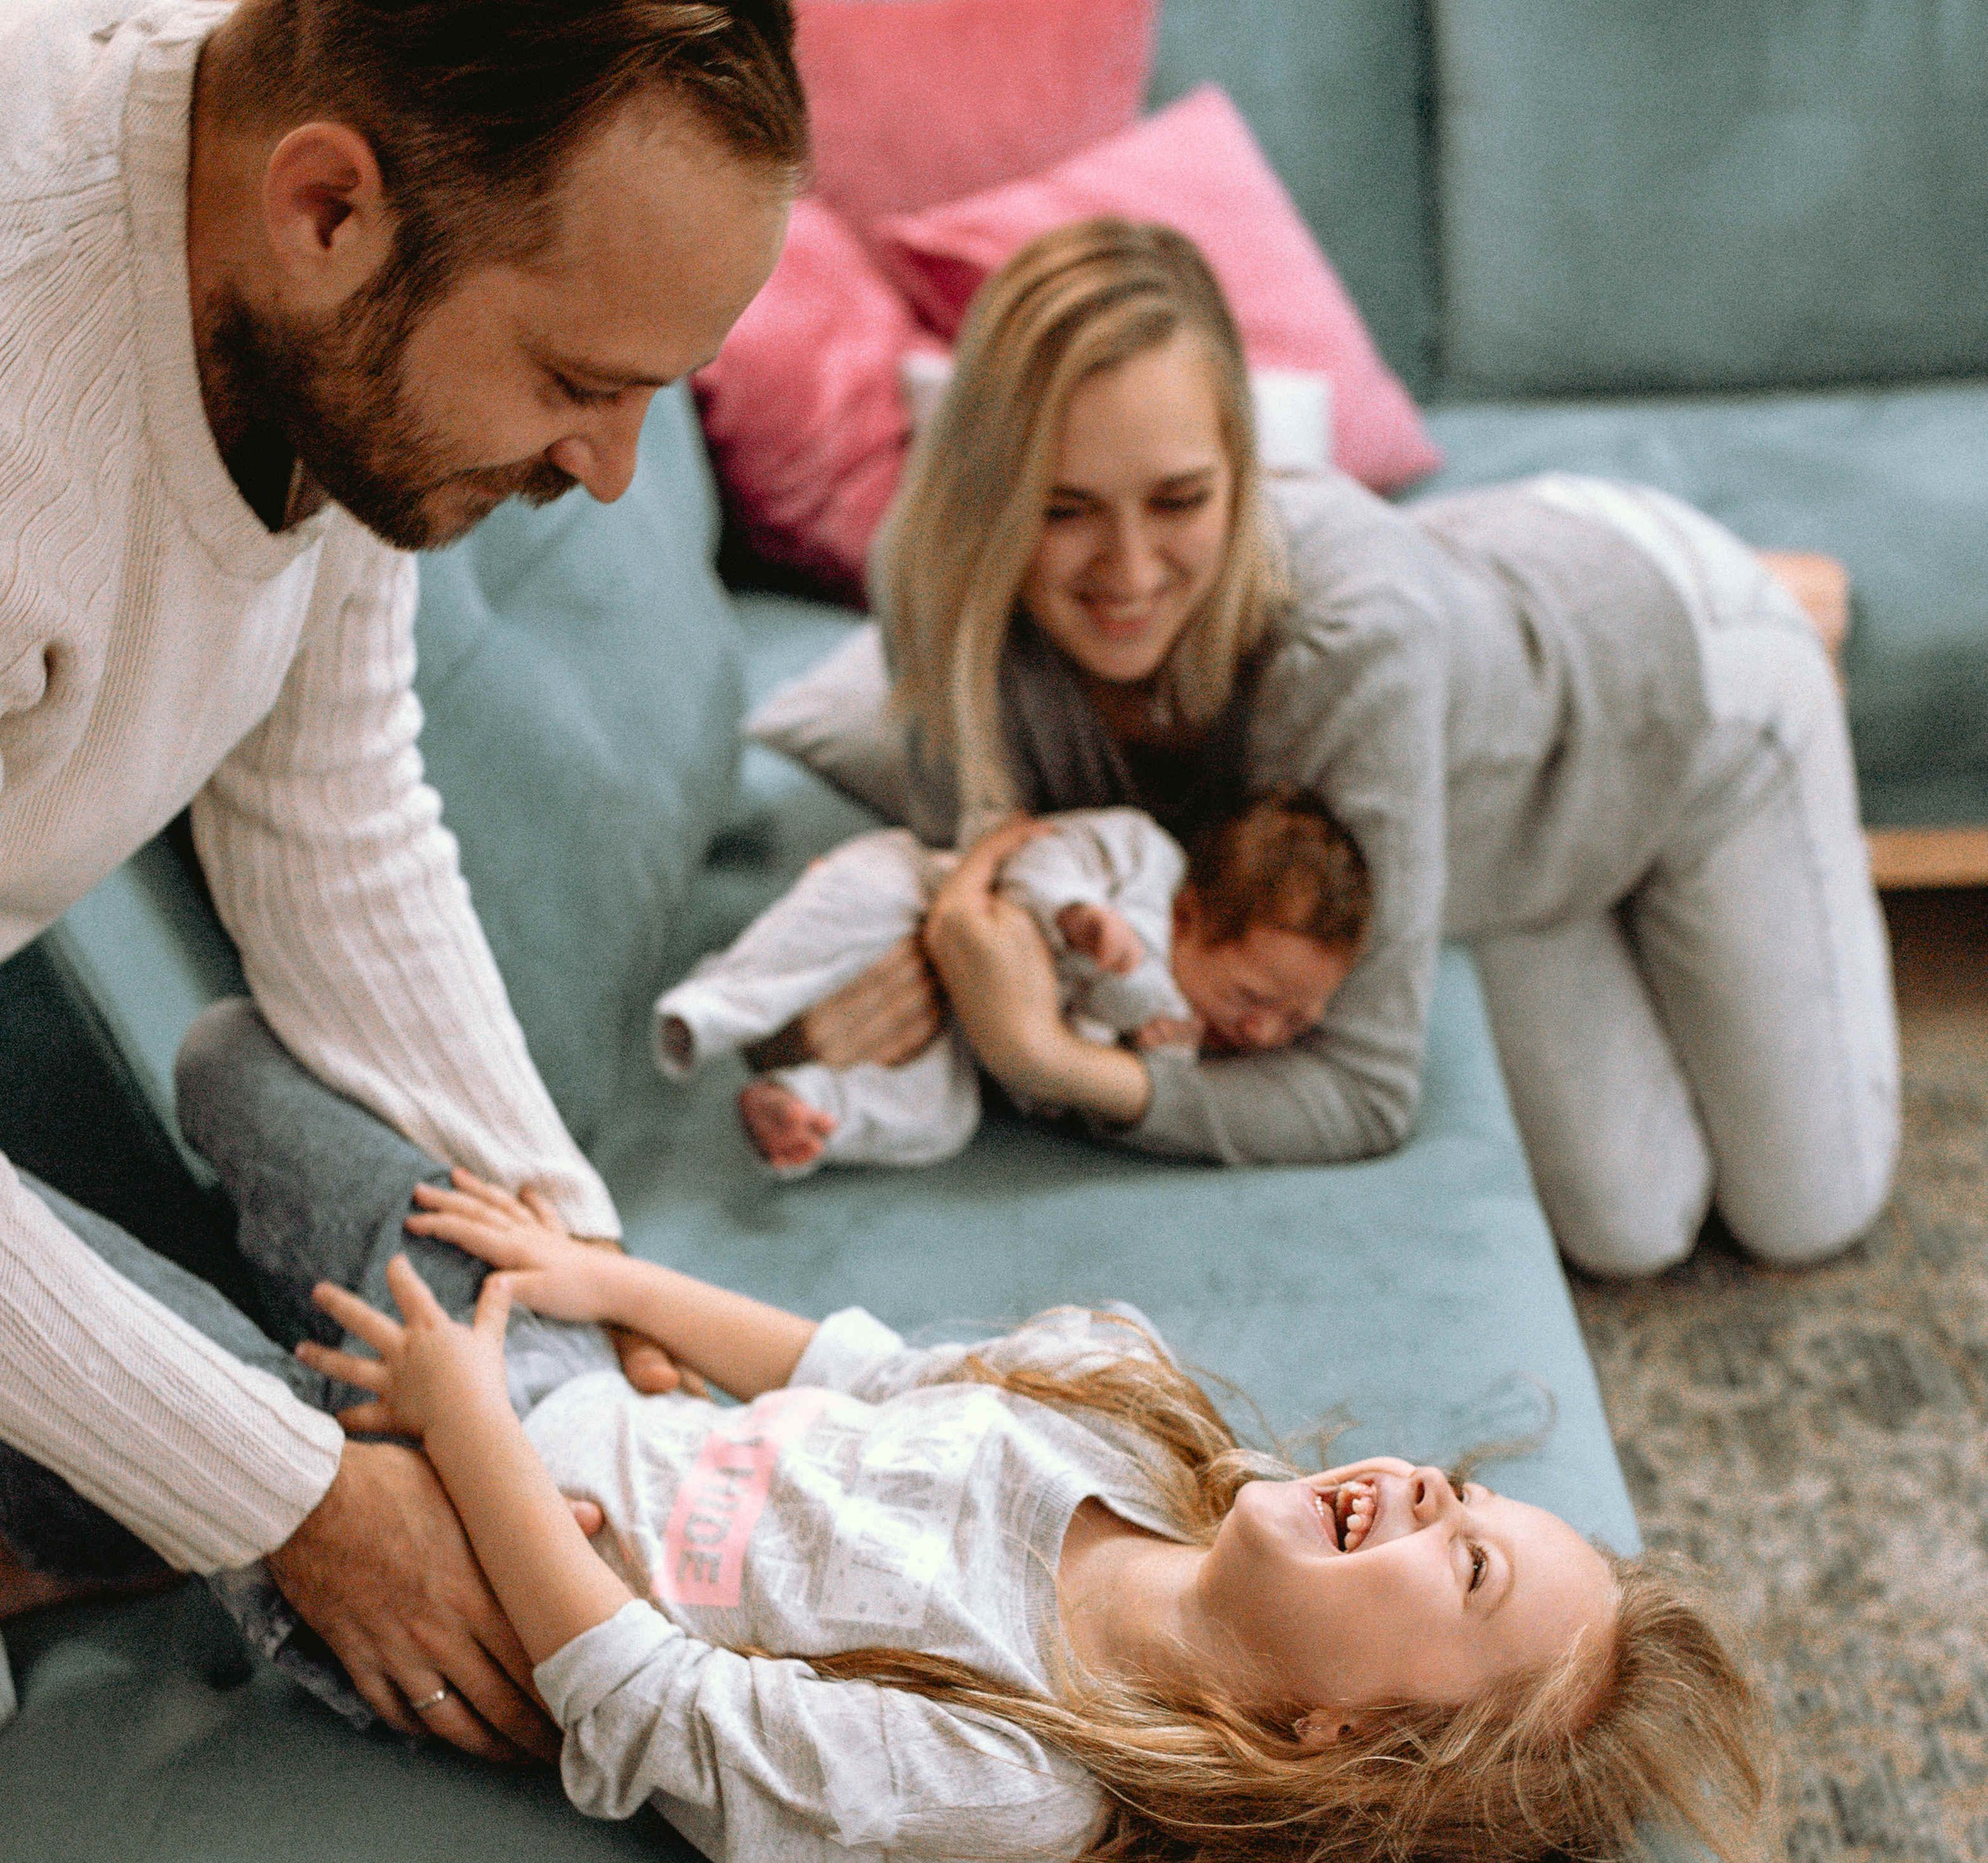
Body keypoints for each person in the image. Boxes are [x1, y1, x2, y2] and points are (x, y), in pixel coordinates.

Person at [165, 994, 1771, 1863]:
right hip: (552, 1376)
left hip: (449, 1565)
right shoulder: (1126, 1406)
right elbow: (853, 1372)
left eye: (1463, 1561)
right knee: (229, 1056)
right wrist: (598, 1277)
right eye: (1465, 1488)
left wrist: (460, 1439)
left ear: (1335, 1738)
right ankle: (89, 1532)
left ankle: (108, 1526)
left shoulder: (1023, 1775)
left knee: (119, 1366)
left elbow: (657, 1710)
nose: (1424, 1484)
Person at [0, 0, 805, 1753]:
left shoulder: (318, 326)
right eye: (579, 384)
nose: (609, 474)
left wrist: (565, 1254)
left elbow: (330, 813)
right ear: (327, 211)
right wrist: (299, 1502)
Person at [848, 218, 1899, 1277]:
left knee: (1804, 1215)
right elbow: (988, 914)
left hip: (1688, 698)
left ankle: (1761, 597)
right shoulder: (933, 586)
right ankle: (1519, 783)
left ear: (1243, 472)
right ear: (986, 496)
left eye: (1180, 500)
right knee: (1632, 1230)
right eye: (1062, 509)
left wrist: (1051, 1061)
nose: (1127, 572)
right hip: (1503, 817)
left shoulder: (1348, 642)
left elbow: (1359, 1091)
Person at [655, 791, 1369, 1176]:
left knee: (942, 1120)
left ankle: (805, 1111)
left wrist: (1154, 1051)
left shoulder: (1182, 1036)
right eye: (1252, 998)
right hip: (928, 892)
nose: (1263, 1034)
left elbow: (1052, 1082)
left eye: (1297, 1024)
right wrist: (1078, 915)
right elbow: (1035, 855)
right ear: (1189, 917)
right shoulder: (1140, 855)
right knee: (836, 920)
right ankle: (714, 1008)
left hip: (964, 1033)